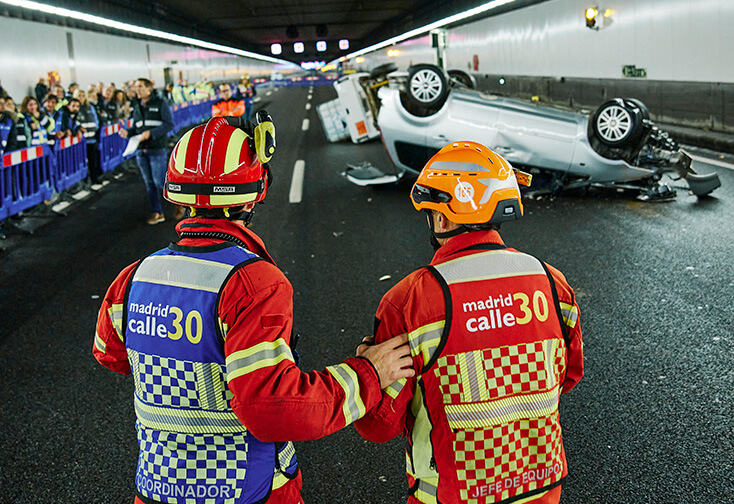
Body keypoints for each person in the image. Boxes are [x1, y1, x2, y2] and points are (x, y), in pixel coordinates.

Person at [93, 115, 415, 504]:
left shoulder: (133, 277)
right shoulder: (254, 283)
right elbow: (271, 408)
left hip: (155, 489)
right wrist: (368, 374)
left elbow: (111, 354)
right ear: (253, 192)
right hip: (248, 489)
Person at [353, 141, 584, 504]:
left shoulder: (408, 300)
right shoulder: (553, 284)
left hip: (447, 495)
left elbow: (379, 425)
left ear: (443, 216)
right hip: (542, 491)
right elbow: (567, 377)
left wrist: (368, 370)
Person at [118, 78, 174, 225]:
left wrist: (151, 133)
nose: (137, 90)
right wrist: (128, 133)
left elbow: (169, 124)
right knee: (149, 183)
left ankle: (181, 203)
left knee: (160, 182)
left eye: (140, 87)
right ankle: (157, 212)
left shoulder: (160, 103)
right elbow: (138, 128)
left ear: (149, 89)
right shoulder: (137, 106)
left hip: (156, 149)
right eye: (136, 87)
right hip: (141, 151)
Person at [75, 89, 102, 183]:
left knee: (93, 160)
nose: (81, 97)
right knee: (82, 162)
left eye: (83, 95)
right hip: (82, 140)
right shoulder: (75, 107)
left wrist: (95, 131)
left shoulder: (90, 107)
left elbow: (96, 120)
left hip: (92, 138)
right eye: (79, 95)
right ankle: (85, 180)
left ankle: (94, 178)